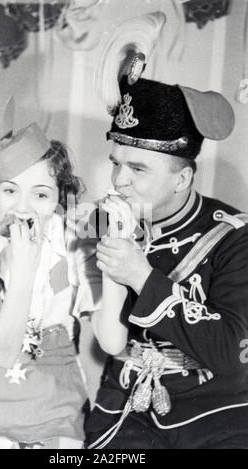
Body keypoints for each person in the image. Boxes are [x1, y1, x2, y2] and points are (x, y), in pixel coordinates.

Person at [85, 69, 248, 449]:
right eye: (116, 163)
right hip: (122, 407)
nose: (118, 181)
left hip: (213, 415)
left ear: (182, 178)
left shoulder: (236, 237)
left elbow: (232, 353)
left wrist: (141, 276)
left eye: (138, 168)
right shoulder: (98, 219)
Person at [0, 122, 101, 449]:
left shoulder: (79, 245)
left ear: (61, 197)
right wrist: (22, 274)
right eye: (10, 190)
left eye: (41, 194)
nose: (22, 208)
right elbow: (2, 353)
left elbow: (110, 337)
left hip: (56, 397)